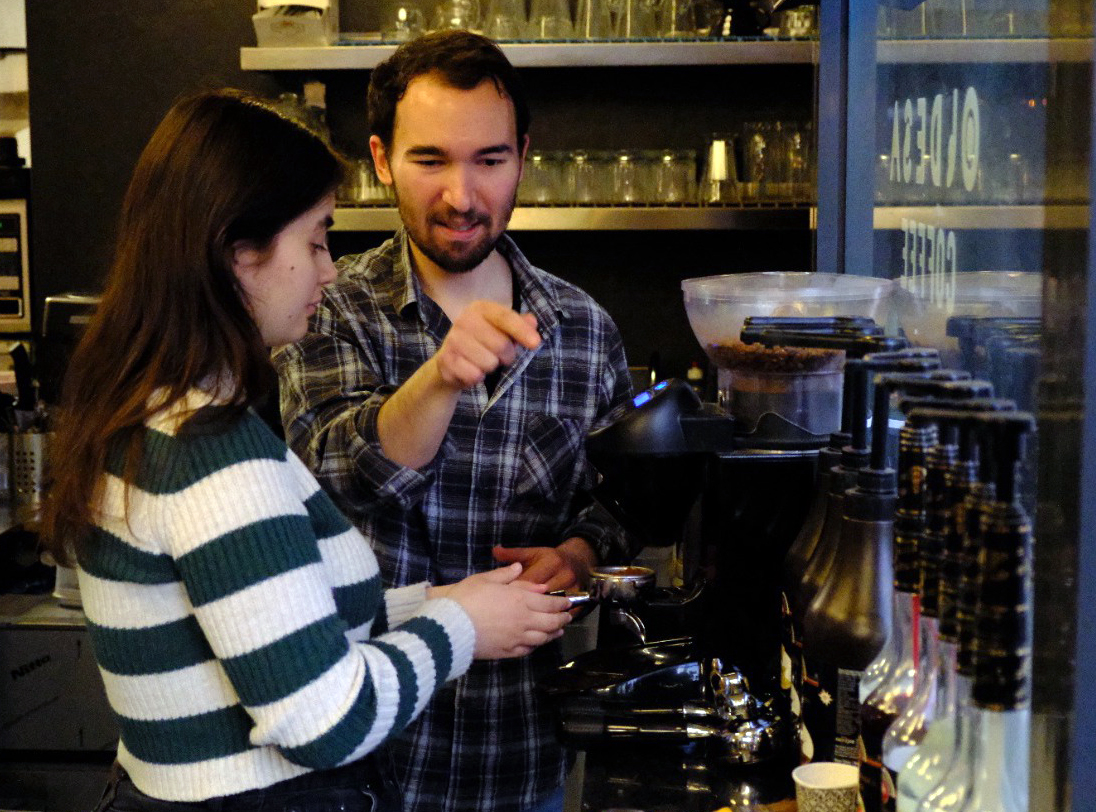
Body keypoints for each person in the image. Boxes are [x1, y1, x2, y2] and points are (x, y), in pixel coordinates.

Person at [39, 88, 573, 811]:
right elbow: (321, 721)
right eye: (315, 240)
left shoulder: (160, 414)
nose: (329, 270)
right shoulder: (214, 454)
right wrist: (462, 626)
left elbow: (272, 619)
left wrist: (436, 601)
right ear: (238, 253)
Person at [274, 30, 634, 812]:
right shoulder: (327, 306)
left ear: (523, 157)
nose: (462, 196)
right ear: (380, 159)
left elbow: (618, 504)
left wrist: (579, 554)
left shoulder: (583, 328)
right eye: (430, 160)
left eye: (489, 161)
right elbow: (339, 475)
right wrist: (439, 377)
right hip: (360, 763)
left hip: (521, 756)